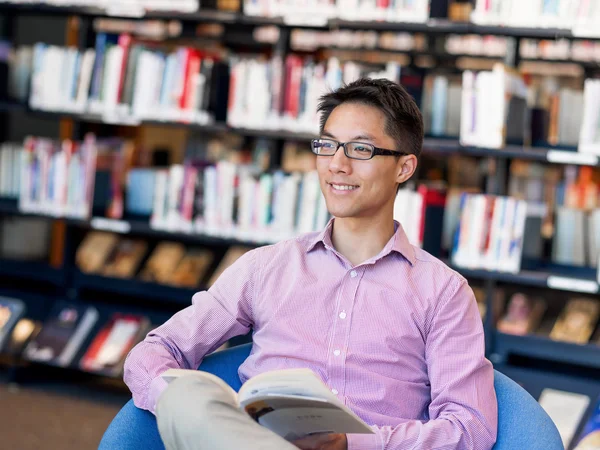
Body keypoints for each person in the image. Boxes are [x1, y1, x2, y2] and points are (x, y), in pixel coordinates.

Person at [124, 78, 498, 450]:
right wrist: (179, 405)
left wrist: (352, 443)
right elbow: (154, 352)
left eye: (360, 149)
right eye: (327, 146)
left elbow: (469, 426)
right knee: (193, 397)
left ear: (404, 168)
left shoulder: (444, 293)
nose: (337, 165)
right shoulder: (264, 268)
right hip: (252, 441)